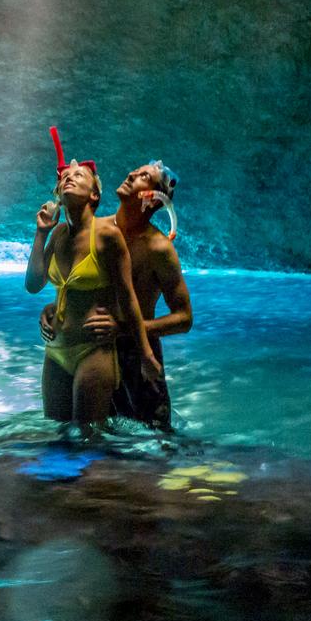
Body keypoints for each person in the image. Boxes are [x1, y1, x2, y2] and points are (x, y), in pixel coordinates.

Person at [40, 161, 192, 430]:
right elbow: (78, 284)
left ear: (154, 200)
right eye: (135, 170)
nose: (131, 173)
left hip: (137, 353)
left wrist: (124, 328)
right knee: (87, 433)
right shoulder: (96, 230)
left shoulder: (158, 249)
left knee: (154, 438)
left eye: (144, 176)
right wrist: (55, 308)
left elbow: (184, 318)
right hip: (92, 346)